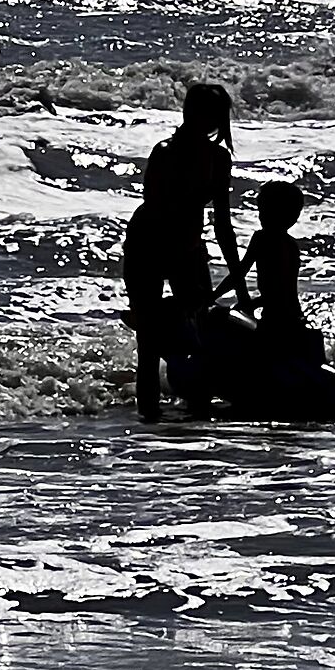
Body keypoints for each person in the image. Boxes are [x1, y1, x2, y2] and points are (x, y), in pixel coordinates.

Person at [123, 81, 248, 420]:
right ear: (187, 112)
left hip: (189, 249)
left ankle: (197, 422)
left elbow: (223, 223)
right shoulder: (164, 152)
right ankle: (148, 419)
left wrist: (241, 286)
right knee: (149, 342)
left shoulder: (219, 159)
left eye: (215, 115)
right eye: (201, 112)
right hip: (147, 247)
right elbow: (158, 208)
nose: (207, 120)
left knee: (203, 335)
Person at [214, 180, 325, 367]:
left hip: (277, 321)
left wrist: (218, 296)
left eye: (264, 211)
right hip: (292, 316)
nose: (261, 217)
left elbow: (242, 273)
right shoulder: (291, 245)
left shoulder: (262, 239)